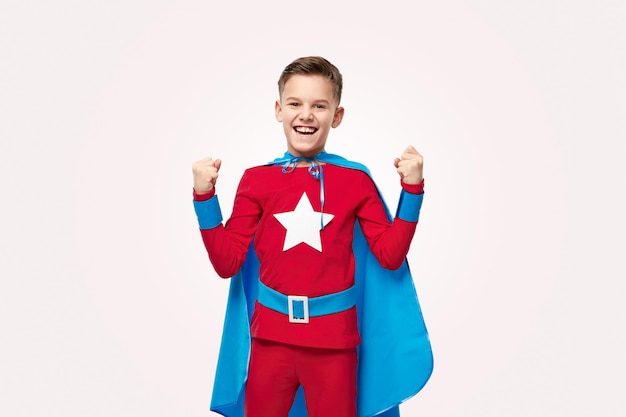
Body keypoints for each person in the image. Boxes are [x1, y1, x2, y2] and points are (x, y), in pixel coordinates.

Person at [192, 56, 433, 417]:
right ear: (279, 109)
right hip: (270, 341)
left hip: (334, 343)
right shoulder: (256, 180)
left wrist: (412, 191)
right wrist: (204, 198)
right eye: (295, 103)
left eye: (319, 105)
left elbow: (389, 256)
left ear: (336, 116)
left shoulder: (355, 181)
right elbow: (227, 263)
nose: (306, 114)